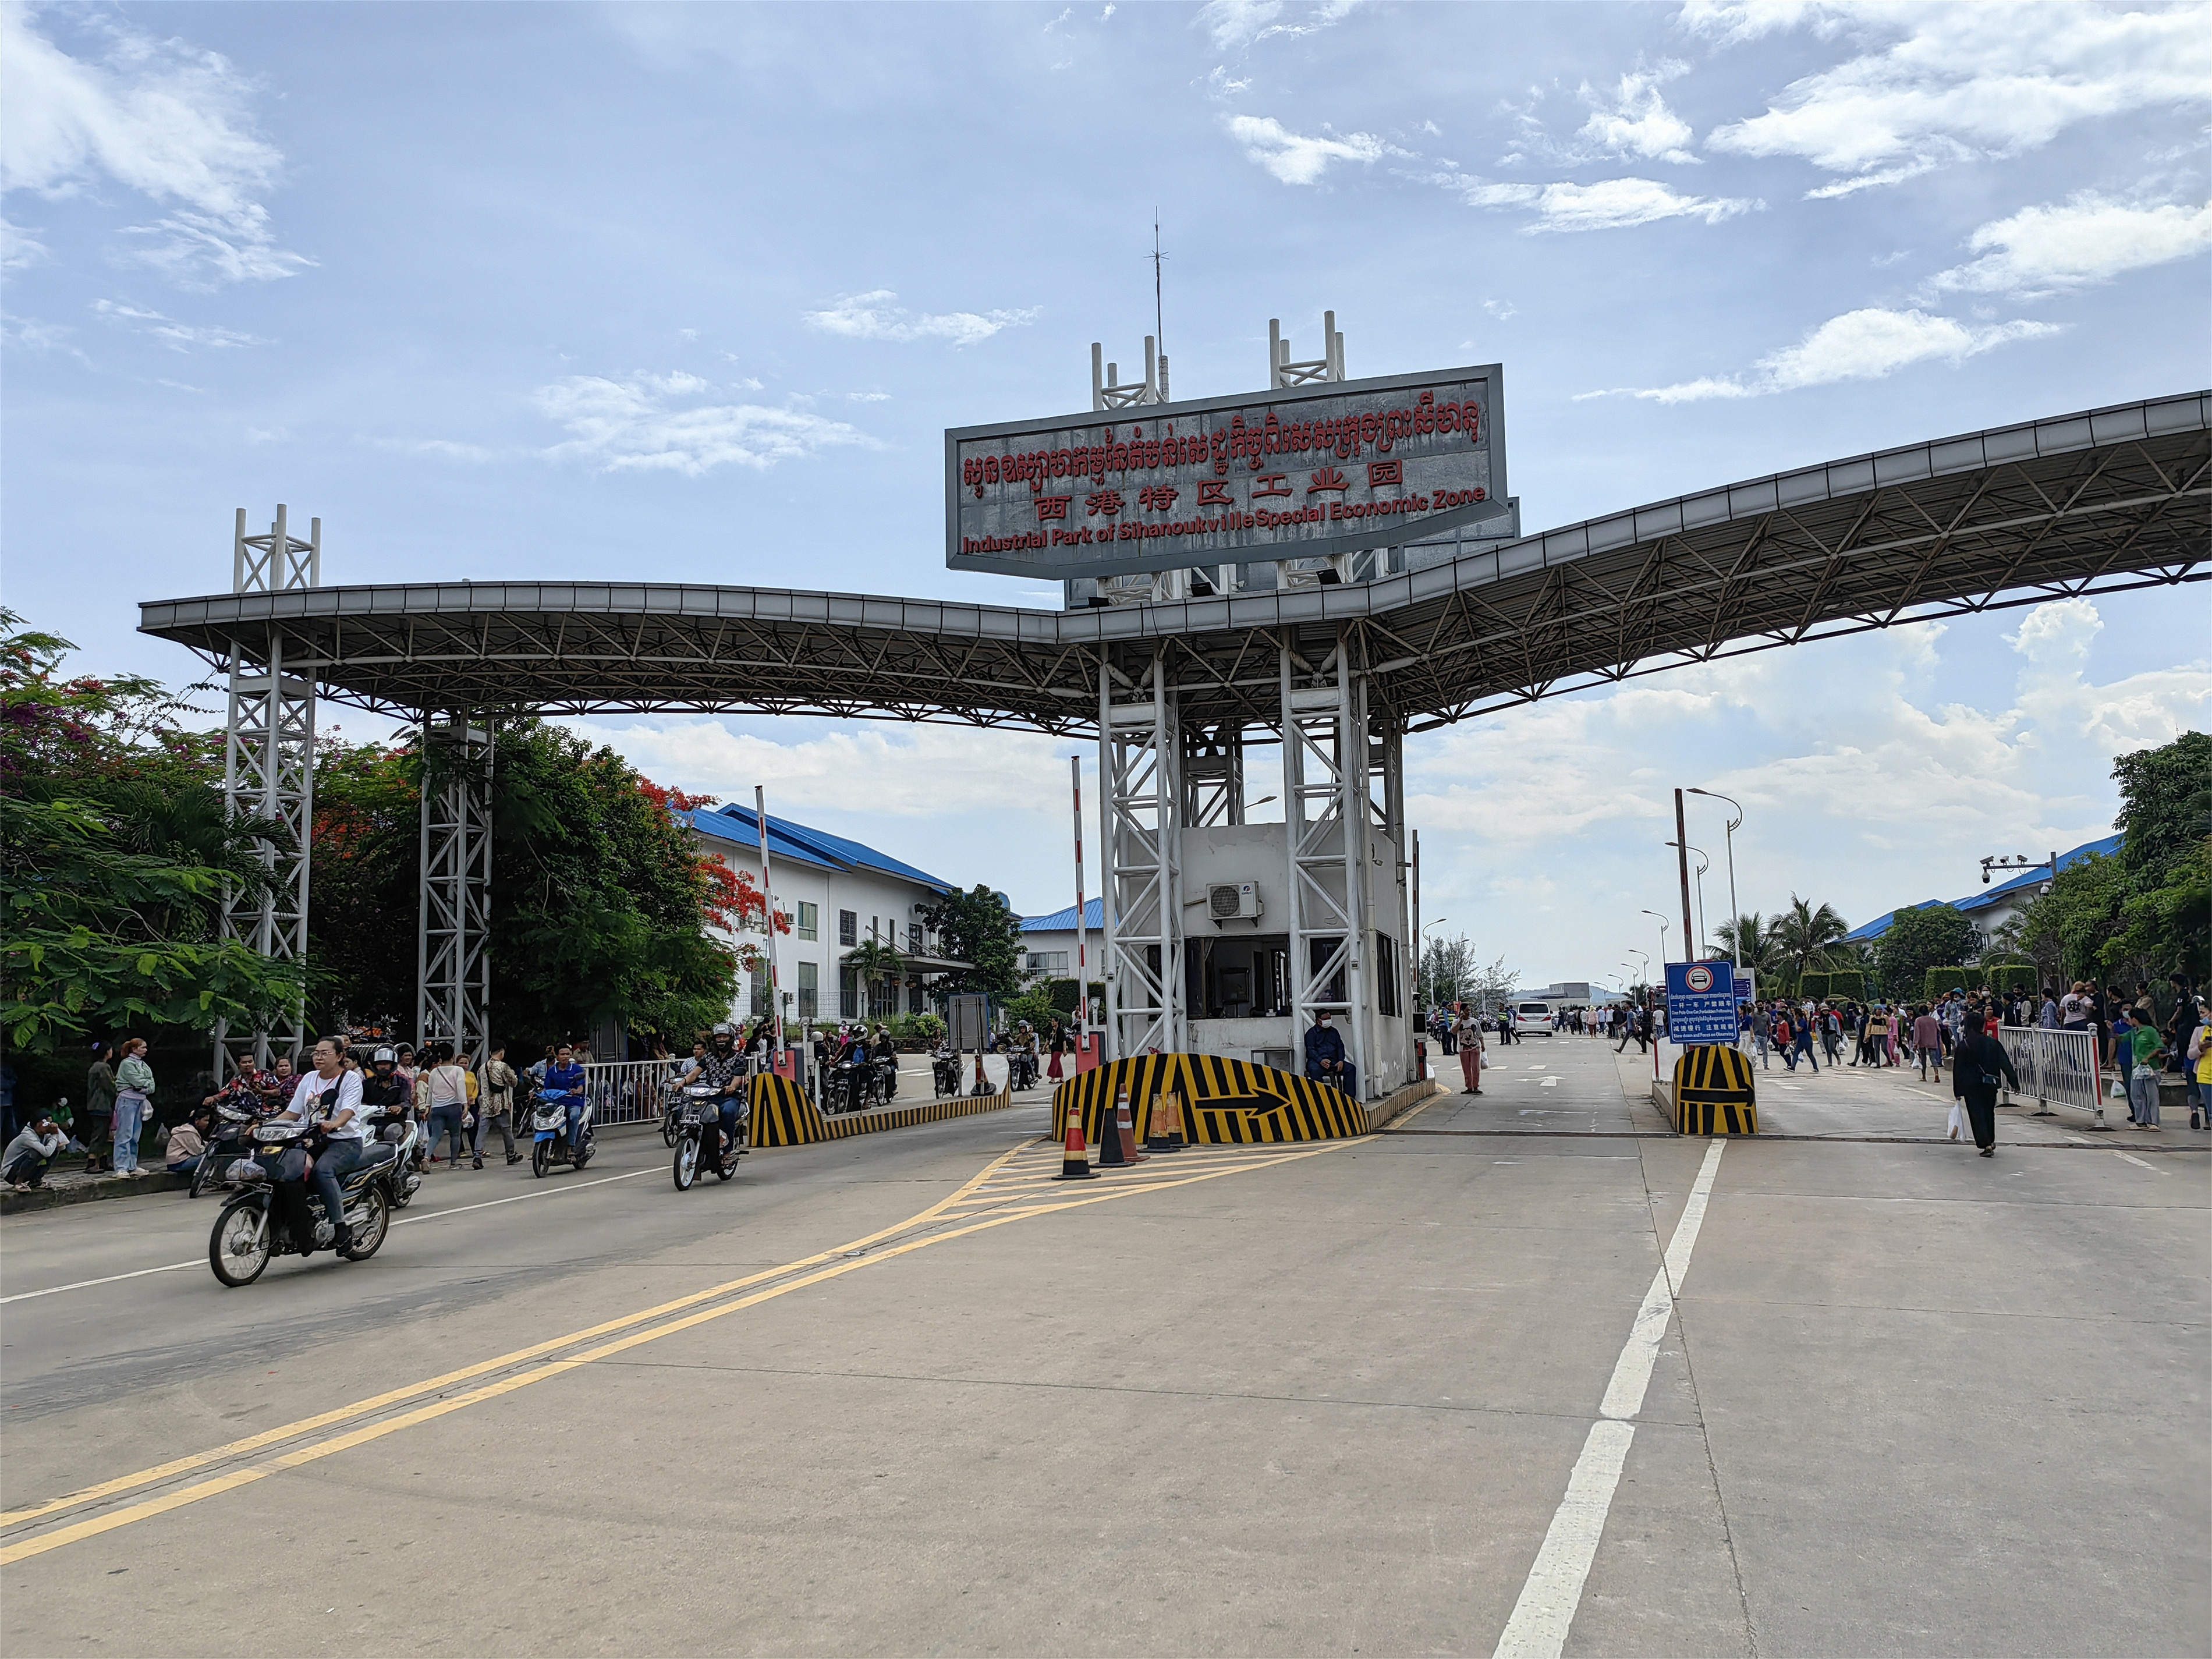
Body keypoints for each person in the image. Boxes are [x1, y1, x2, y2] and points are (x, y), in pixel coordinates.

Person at [274, 1036, 364, 1252]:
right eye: (316, 1053)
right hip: (310, 1140)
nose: (319, 1057)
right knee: (283, 1171)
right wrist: (265, 1125)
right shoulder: (309, 1078)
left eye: (325, 1053)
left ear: (340, 1056)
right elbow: (293, 1113)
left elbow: (348, 1110)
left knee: (322, 1171)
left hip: (344, 1141)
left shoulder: (350, 1079)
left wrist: (335, 1124)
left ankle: (341, 1228)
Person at [678, 1025, 747, 1165]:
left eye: (724, 1037)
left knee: (727, 1112)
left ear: (730, 1038)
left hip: (729, 1097)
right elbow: (695, 1073)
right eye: (718, 1037)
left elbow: (738, 1077)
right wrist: (683, 1082)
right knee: (683, 1109)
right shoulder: (709, 1057)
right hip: (709, 1096)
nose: (721, 1040)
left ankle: (727, 1151)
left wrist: (732, 1087)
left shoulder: (739, 1057)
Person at [1952, 1017, 2020, 1157]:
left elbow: (1958, 1070)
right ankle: (1990, 1139)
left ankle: (1986, 1144)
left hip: (1971, 1086)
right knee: (1989, 1113)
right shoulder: (1993, 1043)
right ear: (1982, 1027)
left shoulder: (1964, 1045)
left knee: (1977, 1115)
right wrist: (2014, 1082)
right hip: (1990, 1084)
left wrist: (1958, 1091)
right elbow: (2005, 1062)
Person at [111, 1037, 155, 1178]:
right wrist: (144, 1084)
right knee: (125, 1133)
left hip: (140, 1101)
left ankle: (132, 1165)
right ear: (134, 1049)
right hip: (127, 1100)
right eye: (143, 1047)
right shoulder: (127, 1064)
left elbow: (152, 1085)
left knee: (135, 1135)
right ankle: (121, 1167)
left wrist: (144, 1086)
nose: (146, 1050)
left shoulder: (143, 1065)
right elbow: (137, 1081)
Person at [421, 1045, 471, 1167]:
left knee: (435, 1136)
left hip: (437, 1107)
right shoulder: (458, 1070)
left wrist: (428, 1107)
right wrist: (465, 1105)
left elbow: (430, 1091)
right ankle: (453, 1163)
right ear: (453, 1056)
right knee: (455, 1135)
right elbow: (461, 1088)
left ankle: (426, 1157)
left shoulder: (434, 1072)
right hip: (454, 1107)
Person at [474, 1043, 522, 1167]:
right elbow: (514, 1083)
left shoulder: (482, 1068)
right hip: (500, 1104)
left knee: (482, 1131)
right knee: (506, 1130)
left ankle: (477, 1156)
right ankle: (511, 1155)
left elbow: (479, 1086)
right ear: (502, 1052)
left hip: (485, 1104)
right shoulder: (503, 1066)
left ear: (490, 1053)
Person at [540, 1043, 589, 1158]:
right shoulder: (552, 1071)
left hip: (574, 1101)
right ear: (557, 1056)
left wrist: (577, 1091)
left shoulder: (576, 1069)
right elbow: (547, 1088)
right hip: (557, 1102)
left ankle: (571, 1146)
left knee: (574, 1116)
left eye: (568, 1054)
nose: (566, 1057)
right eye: (563, 1054)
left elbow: (581, 1087)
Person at [5, 1115, 69, 1190]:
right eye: (47, 1124)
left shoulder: (44, 1133)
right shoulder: (27, 1135)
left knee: (54, 1151)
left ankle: (36, 1181)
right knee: (37, 1153)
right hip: (10, 1172)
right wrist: (54, 1136)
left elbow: (62, 1147)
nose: (50, 1126)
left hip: (26, 1170)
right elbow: (46, 1152)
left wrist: (56, 1133)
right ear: (39, 1124)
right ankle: (18, 1183)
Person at [82, 1043, 118, 1175]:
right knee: (99, 1134)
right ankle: (91, 1162)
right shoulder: (103, 1067)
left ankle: (103, 1160)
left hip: (95, 1104)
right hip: (101, 1105)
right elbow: (109, 1086)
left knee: (103, 1134)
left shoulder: (95, 1066)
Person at [2126, 1014, 2165, 1131]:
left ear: (2135, 1019)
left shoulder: (2150, 1031)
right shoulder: (2134, 1032)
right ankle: (2140, 1121)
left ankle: (2153, 1122)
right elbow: (2122, 1038)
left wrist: (2148, 1057)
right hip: (2137, 1069)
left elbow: (2160, 1046)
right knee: (2136, 1095)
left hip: (2150, 1068)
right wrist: (2112, 1029)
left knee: (2152, 1096)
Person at [1303, 1012, 1357, 1098]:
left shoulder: (1334, 1032)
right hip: (1317, 1063)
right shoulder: (1311, 1034)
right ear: (1318, 1021)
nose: (1328, 1021)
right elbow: (1311, 1050)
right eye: (1325, 1019)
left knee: (1351, 1069)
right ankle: (1321, 1099)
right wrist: (1320, 1060)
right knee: (1315, 1071)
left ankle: (1349, 1098)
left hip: (1334, 1062)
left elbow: (1340, 1047)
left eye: (1329, 1019)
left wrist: (1341, 1060)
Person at [164, 1109, 212, 1178]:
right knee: (210, 1158)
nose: (207, 1123)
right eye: (206, 1120)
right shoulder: (188, 1132)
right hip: (178, 1164)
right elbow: (198, 1151)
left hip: (179, 1162)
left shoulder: (191, 1130)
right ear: (197, 1120)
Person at [1455, 1005, 1484, 1094]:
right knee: (1466, 1068)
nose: (1469, 1012)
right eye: (1467, 1010)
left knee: (1475, 1067)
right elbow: (1453, 1031)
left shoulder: (1475, 1021)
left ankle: (1476, 1086)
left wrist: (1483, 1045)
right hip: (1463, 1049)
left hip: (1475, 1047)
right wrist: (1460, 1021)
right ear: (1462, 1011)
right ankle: (1469, 1087)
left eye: (1469, 1010)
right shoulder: (1456, 1021)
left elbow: (1479, 1034)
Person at [1912, 1004, 1944, 1082]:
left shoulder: (1918, 1020)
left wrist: (1915, 1044)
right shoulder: (1933, 1020)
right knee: (1933, 1059)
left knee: (1923, 1059)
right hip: (1932, 1041)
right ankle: (1936, 1074)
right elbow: (1938, 1030)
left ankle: (1924, 1076)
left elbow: (1917, 1033)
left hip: (1922, 1042)